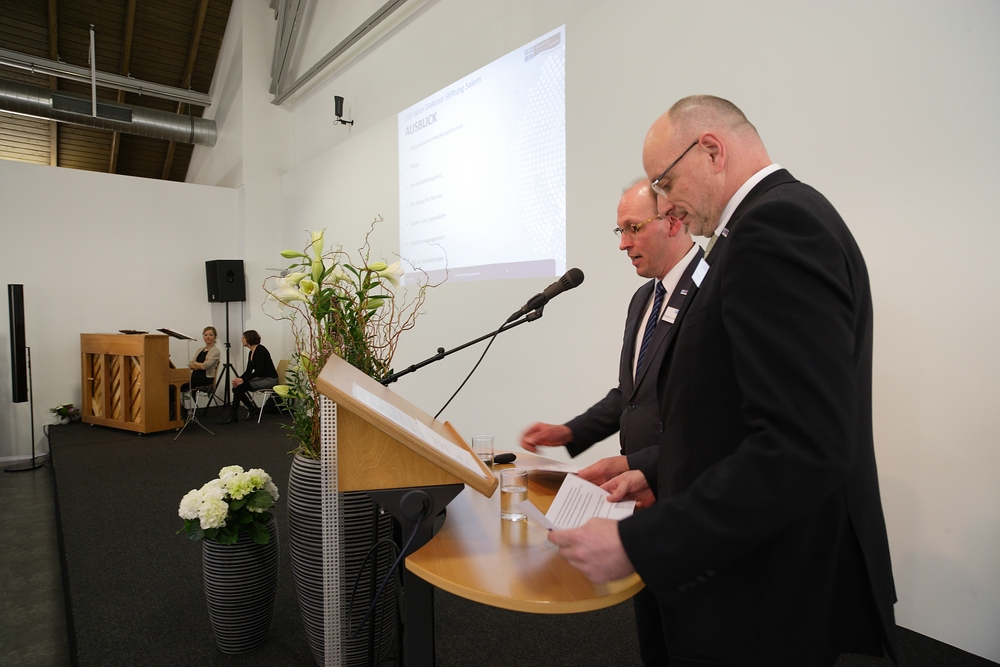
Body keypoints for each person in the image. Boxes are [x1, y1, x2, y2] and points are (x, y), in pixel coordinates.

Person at [548, 96, 898, 666]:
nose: (666, 203)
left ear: (711, 150)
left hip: (768, 591)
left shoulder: (775, 226)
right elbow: (733, 410)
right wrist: (656, 471)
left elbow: (802, 445)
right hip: (756, 576)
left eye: (665, 182)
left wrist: (641, 541)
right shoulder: (766, 225)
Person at [520, 179, 701, 665]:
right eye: (619, 230)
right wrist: (570, 431)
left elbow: (711, 416)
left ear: (674, 221)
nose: (623, 243)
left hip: (685, 493)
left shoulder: (712, 292)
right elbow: (631, 394)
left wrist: (645, 465)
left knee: (692, 635)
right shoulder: (644, 298)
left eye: (633, 228)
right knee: (654, 635)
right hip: (637, 497)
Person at [220, 329, 278, 424]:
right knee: (237, 387)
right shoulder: (251, 352)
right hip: (262, 378)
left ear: (249, 338)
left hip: (270, 380)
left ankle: (234, 414)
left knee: (240, 387)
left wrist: (243, 380)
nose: (241, 340)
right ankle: (251, 409)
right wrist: (239, 379)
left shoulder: (260, 350)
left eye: (243, 338)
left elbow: (259, 371)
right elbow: (248, 371)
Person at [182, 326, 220, 392]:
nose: (208, 337)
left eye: (211, 335)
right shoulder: (199, 350)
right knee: (174, 386)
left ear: (215, 337)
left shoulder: (215, 351)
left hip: (205, 379)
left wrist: (196, 363)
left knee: (178, 387)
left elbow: (205, 366)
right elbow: (190, 364)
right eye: (205, 335)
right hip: (194, 377)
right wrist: (199, 364)